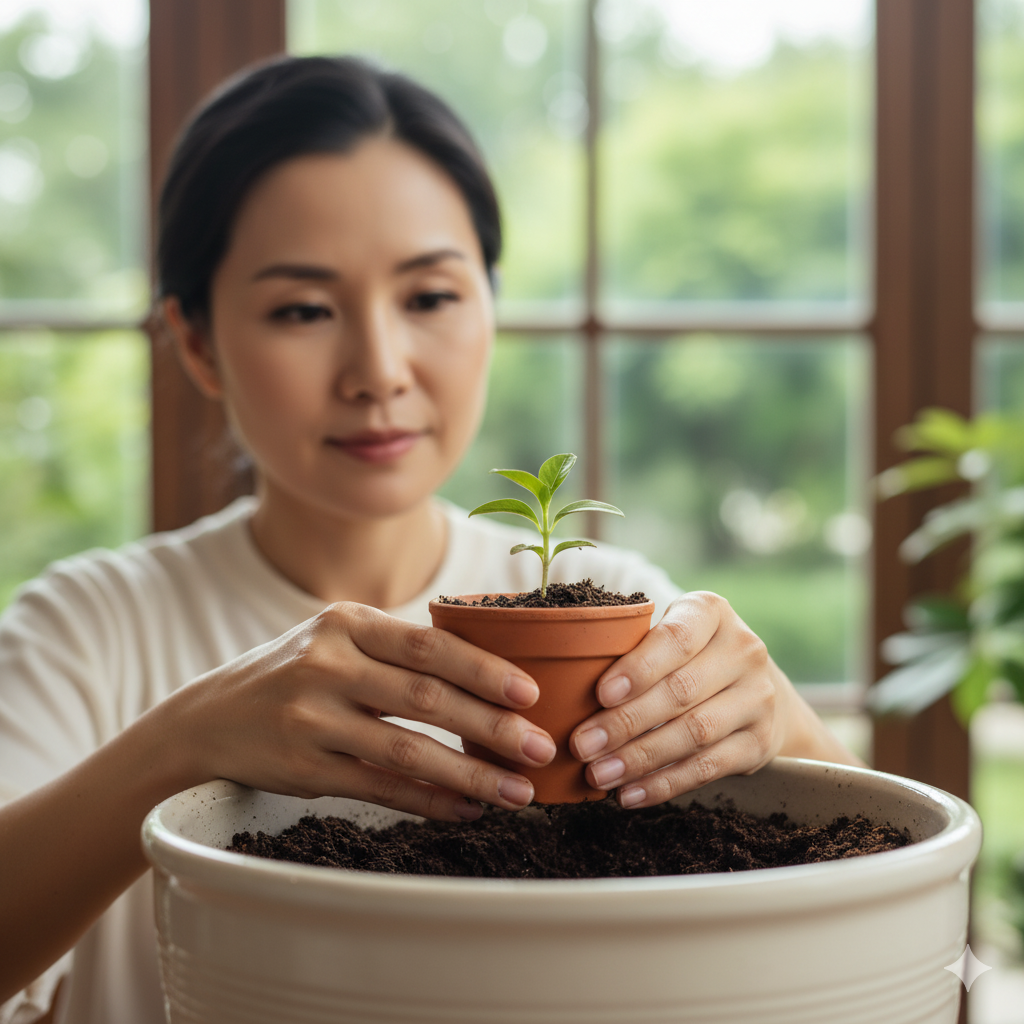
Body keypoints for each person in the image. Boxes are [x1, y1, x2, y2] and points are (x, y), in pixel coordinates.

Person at [0, 55, 861, 1024]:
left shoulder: (613, 609)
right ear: (196, 342)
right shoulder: (88, 627)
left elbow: (909, 975)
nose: (378, 369)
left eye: (430, 296)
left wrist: (778, 725)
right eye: (302, 309)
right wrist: (178, 743)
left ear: (490, 308)